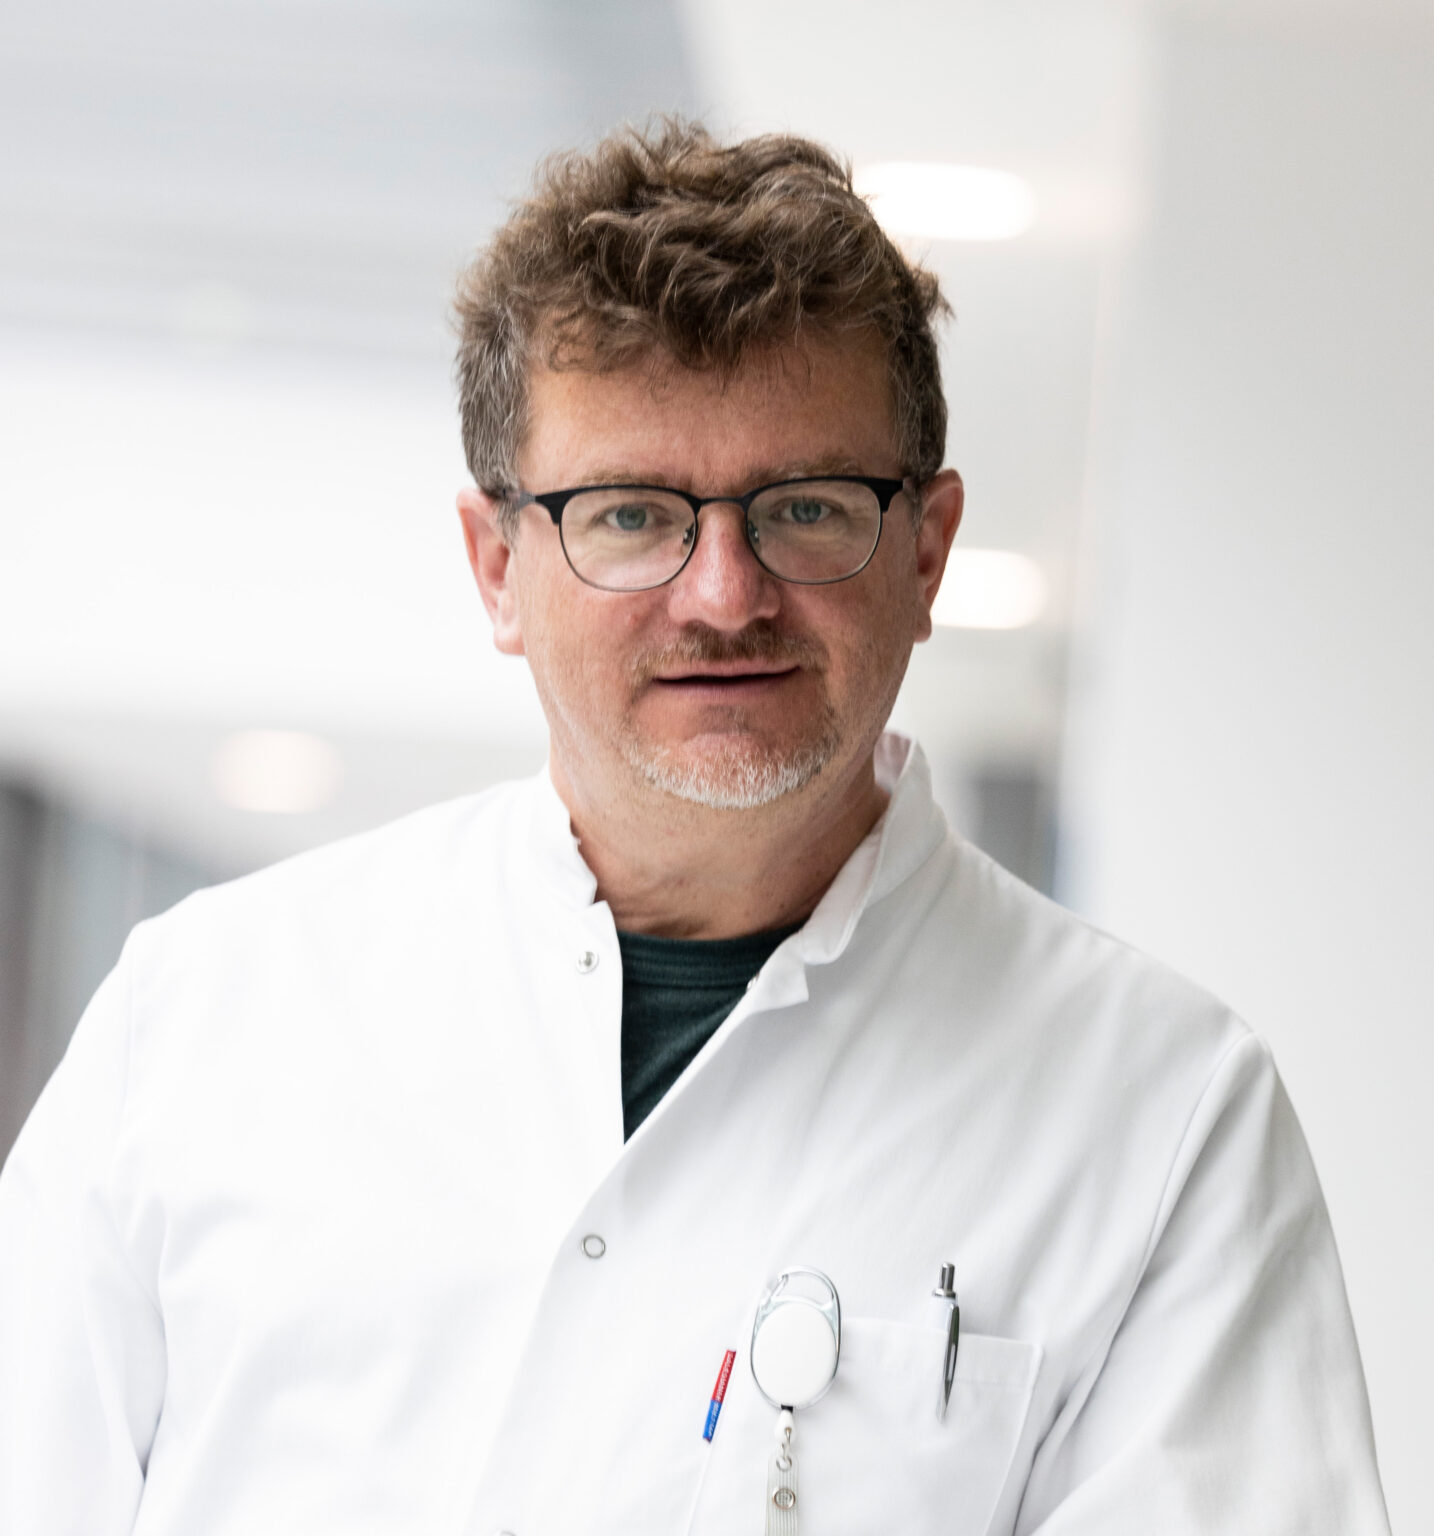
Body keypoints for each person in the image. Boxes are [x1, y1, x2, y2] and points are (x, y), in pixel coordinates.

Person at [0, 122, 1388, 1536]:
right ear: (497, 566)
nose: (724, 594)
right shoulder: (202, 1020)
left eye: (806, 508)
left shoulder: (1162, 1108)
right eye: (629, 517)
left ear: (926, 549)